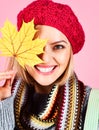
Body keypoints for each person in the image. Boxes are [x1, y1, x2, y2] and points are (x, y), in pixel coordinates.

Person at [0, 0, 97, 130]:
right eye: (34, 45)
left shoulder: (93, 106)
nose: (44, 58)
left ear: (70, 53)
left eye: (58, 46)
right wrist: (3, 103)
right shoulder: (5, 98)